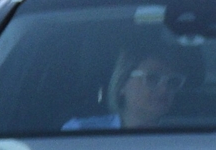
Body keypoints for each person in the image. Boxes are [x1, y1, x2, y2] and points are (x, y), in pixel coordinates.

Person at [63, 40, 200, 130]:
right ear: (122, 83)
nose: (164, 89)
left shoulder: (186, 137)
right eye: (152, 78)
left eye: (173, 82)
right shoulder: (80, 130)